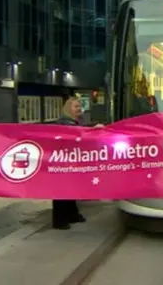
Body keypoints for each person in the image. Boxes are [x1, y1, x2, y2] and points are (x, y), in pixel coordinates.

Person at [52, 97, 104, 230]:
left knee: (71, 189)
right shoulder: (64, 123)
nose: (79, 109)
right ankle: (60, 220)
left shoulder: (75, 122)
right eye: (76, 107)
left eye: (79, 107)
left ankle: (72, 214)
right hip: (63, 163)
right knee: (62, 191)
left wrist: (93, 126)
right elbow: (77, 132)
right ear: (69, 108)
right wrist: (93, 128)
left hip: (71, 162)